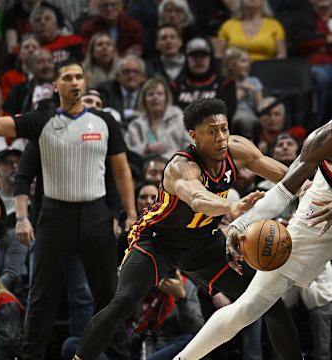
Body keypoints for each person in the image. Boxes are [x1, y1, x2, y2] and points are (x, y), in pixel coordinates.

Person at [73, 97, 303, 360]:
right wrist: (233, 206)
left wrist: (306, 188)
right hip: (158, 241)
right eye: (211, 131)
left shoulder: (237, 149)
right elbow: (197, 198)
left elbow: (286, 176)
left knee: (268, 301)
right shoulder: (180, 167)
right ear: (194, 136)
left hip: (202, 244)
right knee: (123, 302)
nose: (221, 137)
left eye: (224, 129)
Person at [0, 57, 137, 360]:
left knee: (108, 297)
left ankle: (121, 357)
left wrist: (131, 213)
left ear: (85, 83)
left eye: (79, 77)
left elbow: (123, 172)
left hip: (96, 215)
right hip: (54, 217)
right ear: (55, 85)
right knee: (41, 297)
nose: (75, 82)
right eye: (68, 77)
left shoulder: (106, 122)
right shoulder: (41, 121)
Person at [172, 110, 332, 360]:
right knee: (251, 304)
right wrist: (242, 224)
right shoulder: (323, 139)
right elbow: (285, 188)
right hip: (321, 205)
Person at [124, 77, 191, 159]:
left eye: (159, 94)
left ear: (166, 98)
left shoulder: (180, 119)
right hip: (144, 169)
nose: (155, 97)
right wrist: (146, 148)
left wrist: (166, 159)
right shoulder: (135, 125)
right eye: (150, 94)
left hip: (175, 168)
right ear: (144, 99)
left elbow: (190, 148)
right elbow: (126, 152)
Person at [216, 0, 286, 61]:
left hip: (266, 71)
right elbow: (219, 55)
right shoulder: (228, 25)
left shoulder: (274, 25)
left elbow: (282, 55)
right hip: (235, 72)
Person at [222, 46, 263, 139]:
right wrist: (238, 94)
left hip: (251, 114)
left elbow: (261, 107)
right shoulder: (226, 83)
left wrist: (253, 90)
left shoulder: (254, 81)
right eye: (243, 61)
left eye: (248, 61)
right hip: (232, 115)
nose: (248, 64)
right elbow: (227, 104)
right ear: (231, 65)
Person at [80, 0, 145, 57]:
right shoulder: (88, 28)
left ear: (121, 7)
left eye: (114, 5)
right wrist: (123, 54)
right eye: (105, 5)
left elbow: (136, 52)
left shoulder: (134, 27)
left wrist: (103, 55)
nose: (109, 9)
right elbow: (87, 53)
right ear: (99, 8)